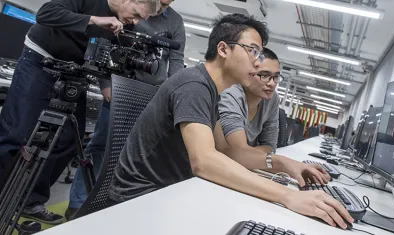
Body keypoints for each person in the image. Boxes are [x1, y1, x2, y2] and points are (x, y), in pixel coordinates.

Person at [108, 13, 354, 229]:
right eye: (253, 51)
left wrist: (282, 163)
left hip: (171, 192)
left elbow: (227, 152)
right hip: (139, 202)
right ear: (224, 49)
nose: (257, 62)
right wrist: (287, 196)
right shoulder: (193, 85)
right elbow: (204, 161)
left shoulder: (211, 91)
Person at [0, 0, 158, 224]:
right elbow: (46, 14)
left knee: (67, 140)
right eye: (136, 14)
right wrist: (94, 20)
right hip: (40, 61)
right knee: (17, 132)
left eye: (141, 19)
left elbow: (107, 59)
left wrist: (108, 87)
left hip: (74, 73)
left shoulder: (122, 26)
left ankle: (31, 201)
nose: (136, 21)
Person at [66, 0, 186, 219]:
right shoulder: (126, 10)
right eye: (158, 2)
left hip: (151, 95)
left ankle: (111, 205)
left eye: (165, 6)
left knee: (132, 151)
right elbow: (104, 44)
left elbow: (176, 60)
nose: (158, 10)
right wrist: (105, 84)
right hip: (119, 86)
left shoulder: (175, 22)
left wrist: (171, 94)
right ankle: (78, 202)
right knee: (100, 145)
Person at [216, 47, 331, 186]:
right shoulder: (231, 95)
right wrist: (281, 163)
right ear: (249, 73)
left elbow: (269, 147)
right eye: (264, 75)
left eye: (276, 77)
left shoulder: (271, 99)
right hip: (214, 175)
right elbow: (239, 153)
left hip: (238, 170)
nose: (272, 83)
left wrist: (250, 156)